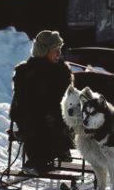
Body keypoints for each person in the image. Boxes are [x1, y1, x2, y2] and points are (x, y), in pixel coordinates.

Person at [10, 30, 74, 174]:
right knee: (33, 121)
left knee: (47, 121)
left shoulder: (62, 72)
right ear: (44, 51)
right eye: (55, 50)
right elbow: (21, 99)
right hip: (31, 117)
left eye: (59, 50)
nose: (59, 53)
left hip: (56, 116)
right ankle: (39, 160)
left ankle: (42, 159)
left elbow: (65, 101)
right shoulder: (24, 71)